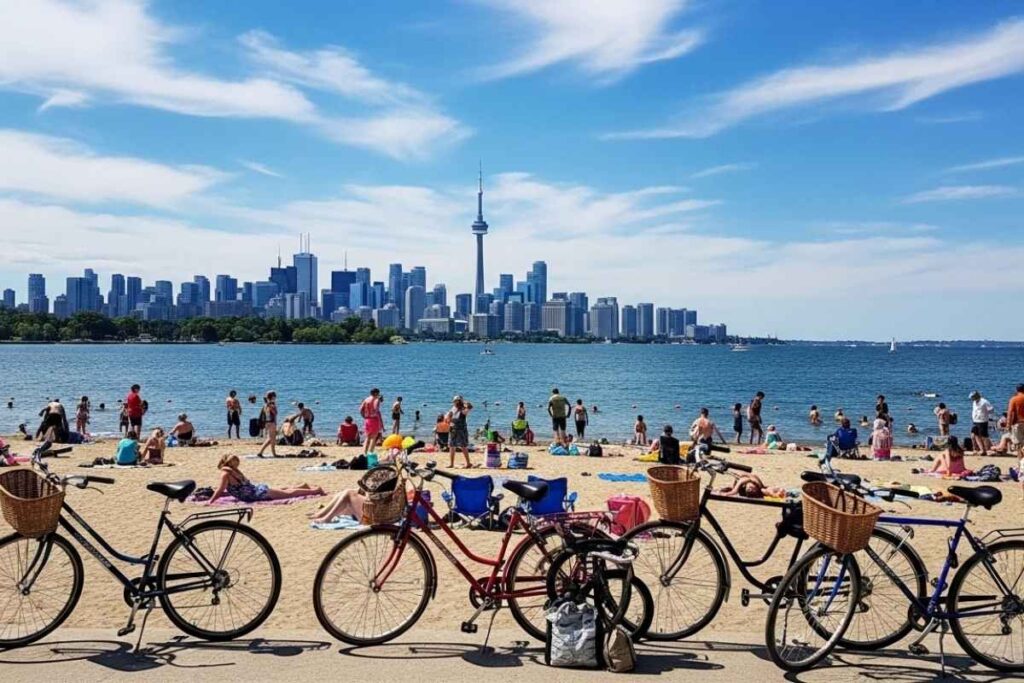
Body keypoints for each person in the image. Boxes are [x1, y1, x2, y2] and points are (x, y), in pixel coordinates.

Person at [209, 455, 323, 504]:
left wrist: (211, 501)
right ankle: (302, 486)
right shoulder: (235, 472)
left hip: (256, 494)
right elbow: (225, 489)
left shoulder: (226, 474)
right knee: (283, 490)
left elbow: (220, 490)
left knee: (288, 494)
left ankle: (315, 490)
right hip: (255, 490)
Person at [447, 395, 474, 468]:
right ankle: (451, 464)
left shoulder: (463, 409)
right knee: (452, 446)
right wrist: (449, 422)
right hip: (453, 430)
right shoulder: (453, 408)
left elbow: (470, 406)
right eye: (455, 401)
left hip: (461, 430)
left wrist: (464, 402)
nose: (456, 403)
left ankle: (468, 463)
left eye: (458, 401)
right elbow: (448, 417)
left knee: (463, 446)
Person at [718, 474, 787, 499]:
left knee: (767, 490)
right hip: (757, 483)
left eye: (749, 489)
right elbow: (734, 491)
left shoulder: (744, 480)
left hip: (745, 480)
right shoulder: (759, 488)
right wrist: (776, 494)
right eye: (753, 489)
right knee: (766, 490)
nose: (751, 489)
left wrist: (725, 493)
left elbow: (734, 491)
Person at [969, 390, 994, 456]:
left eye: (972, 397)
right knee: (975, 435)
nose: (972, 399)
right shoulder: (974, 402)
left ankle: (987, 450)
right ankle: (982, 449)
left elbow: (991, 409)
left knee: (984, 436)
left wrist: (986, 414)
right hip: (975, 421)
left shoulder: (984, 401)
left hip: (982, 421)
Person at [360, 388, 384, 456]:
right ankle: (370, 452)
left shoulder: (366, 399)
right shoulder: (376, 399)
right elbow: (376, 408)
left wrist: (364, 416)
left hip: (367, 419)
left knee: (368, 437)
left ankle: (364, 453)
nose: (379, 395)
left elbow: (360, 409)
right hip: (374, 419)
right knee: (374, 437)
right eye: (378, 393)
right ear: (376, 393)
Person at [256, 391, 279, 458]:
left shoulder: (266, 404)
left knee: (270, 439)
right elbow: (275, 413)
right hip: (271, 422)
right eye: (275, 396)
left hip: (267, 422)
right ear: (273, 397)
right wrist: (273, 408)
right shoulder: (271, 404)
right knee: (273, 439)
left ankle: (260, 452)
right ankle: (274, 453)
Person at [1009, 384, 1024, 458]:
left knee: (1018, 444)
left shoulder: (1014, 399)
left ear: (1016, 390)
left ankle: (1021, 461)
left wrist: (1008, 425)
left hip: (1018, 424)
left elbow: (1010, 413)